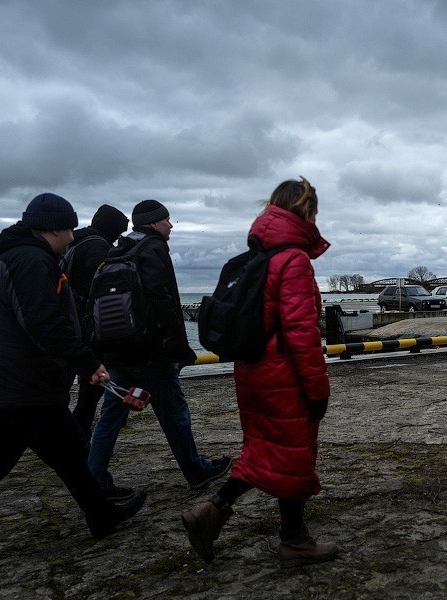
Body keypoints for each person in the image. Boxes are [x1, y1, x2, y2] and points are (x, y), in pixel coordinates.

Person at [0, 194, 146, 592]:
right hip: (16, 391)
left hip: (32, 387)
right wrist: (87, 362)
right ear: (53, 227)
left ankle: (101, 516)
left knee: (70, 452)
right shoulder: (31, 261)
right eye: (69, 228)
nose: (72, 237)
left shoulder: (19, 258)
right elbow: (45, 322)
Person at [181, 177, 337, 567]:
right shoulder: (293, 260)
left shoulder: (258, 257)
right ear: (307, 211)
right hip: (284, 376)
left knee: (268, 451)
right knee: (293, 454)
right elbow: (302, 333)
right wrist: (318, 389)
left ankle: (214, 512)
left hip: (252, 370)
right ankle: (294, 542)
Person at [87, 200, 230, 495]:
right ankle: (197, 471)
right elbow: (163, 299)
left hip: (115, 350)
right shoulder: (153, 247)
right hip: (150, 352)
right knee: (174, 413)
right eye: (167, 220)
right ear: (153, 222)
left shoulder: (117, 250)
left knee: (110, 417)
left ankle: (91, 480)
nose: (171, 226)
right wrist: (179, 347)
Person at [66, 204, 130, 450]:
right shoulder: (97, 247)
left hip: (73, 323)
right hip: (89, 327)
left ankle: (76, 432)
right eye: (118, 232)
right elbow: (104, 289)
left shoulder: (76, 243)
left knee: (84, 386)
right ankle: (78, 435)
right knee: (91, 389)